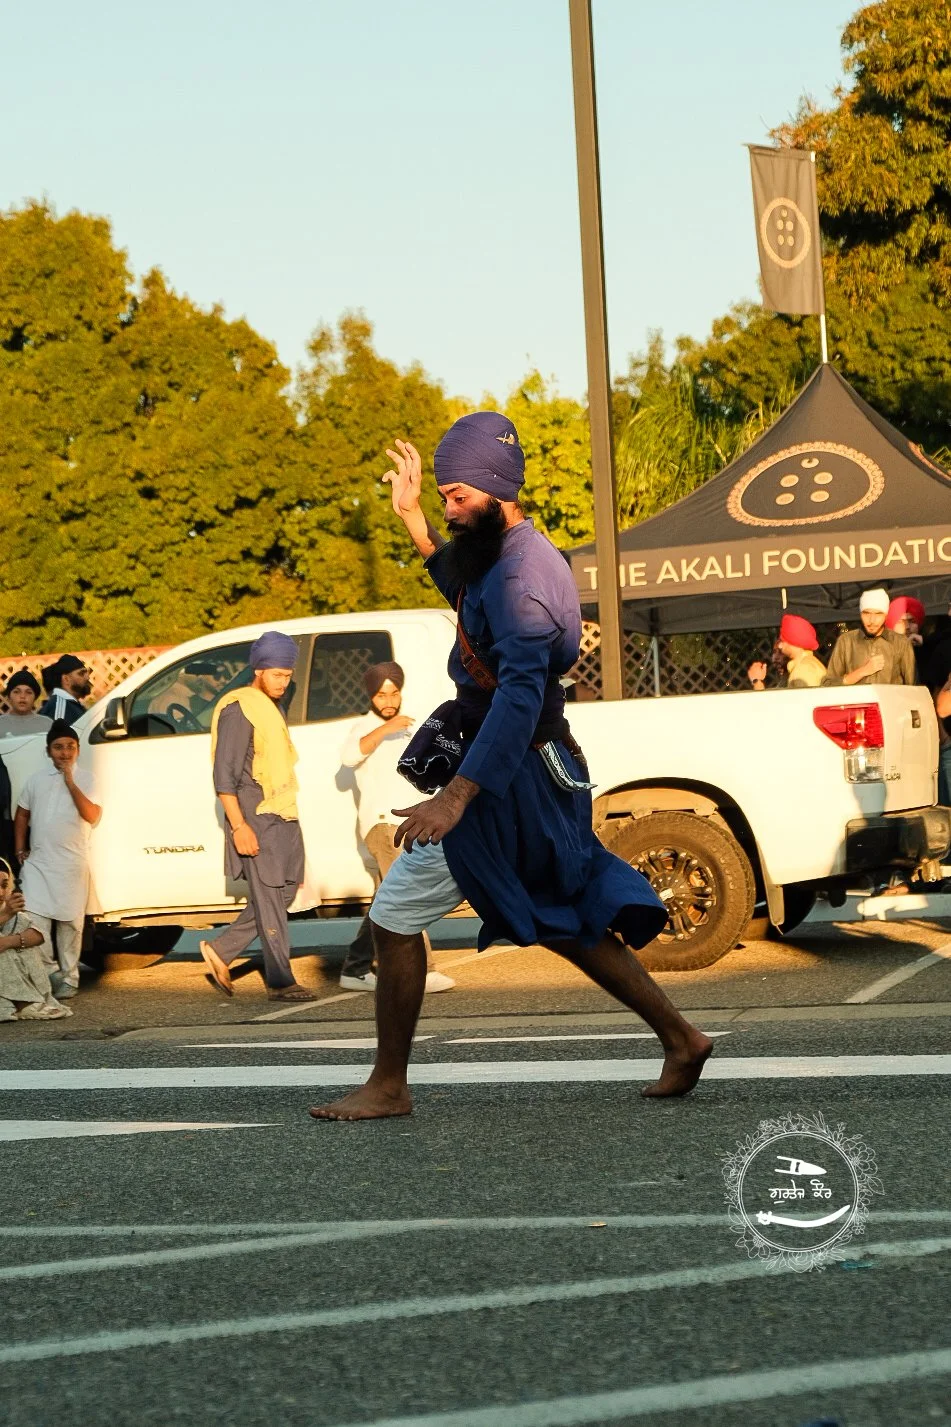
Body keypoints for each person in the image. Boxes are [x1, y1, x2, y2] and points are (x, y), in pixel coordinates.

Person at [310, 414, 713, 1122]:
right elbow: (472, 607)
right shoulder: (503, 551)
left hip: (510, 775)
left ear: (498, 490)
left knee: (395, 913)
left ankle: (388, 1084)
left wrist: (456, 797)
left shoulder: (523, 570)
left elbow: (522, 690)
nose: (448, 507)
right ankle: (681, 1037)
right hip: (529, 768)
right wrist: (412, 522)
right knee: (568, 920)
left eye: (457, 494)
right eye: (441, 495)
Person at [199, 632, 316, 1003]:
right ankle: (281, 981)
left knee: (281, 895)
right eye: (277, 675)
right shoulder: (240, 708)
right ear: (259, 670)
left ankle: (221, 949)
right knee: (268, 899)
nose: (284, 682)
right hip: (255, 819)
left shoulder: (270, 706)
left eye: (287, 675)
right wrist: (239, 827)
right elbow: (224, 776)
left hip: (281, 814)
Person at [338, 661, 455, 995]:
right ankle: (425, 970)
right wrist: (382, 732)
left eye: (393, 692)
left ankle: (356, 968)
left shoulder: (410, 726)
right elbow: (348, 757)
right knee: (407, 895)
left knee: (386, 900)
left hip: (408, 825)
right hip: (382, 825)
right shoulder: (363, 727)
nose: (388, 700)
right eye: (380, 694)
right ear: (371, 697)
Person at [14, 720, 101, 1002]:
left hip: (72, 864)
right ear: (48, 751)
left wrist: (70, 782)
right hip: (39, 863)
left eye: (70, 747)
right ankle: (50, 972)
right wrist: (20, 850)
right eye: (58, 747)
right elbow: (22, 813)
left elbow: (93, 815)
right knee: (33, 919)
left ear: (77, 750)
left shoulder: (88, 779)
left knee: (70, 925)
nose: (65, 753)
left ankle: (69, 977)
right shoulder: (36, 779)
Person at [0, 858, 71, 1021]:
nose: (2, 893)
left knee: (19, 941)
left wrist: (9, 942)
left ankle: (31, 998)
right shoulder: (7, 911)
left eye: (4, 885)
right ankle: (23, 1003)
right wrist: (5, 916)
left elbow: (37, 936)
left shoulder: (8, 908)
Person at [822, 588, 917, 687]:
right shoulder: (846, 641)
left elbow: (913, 687)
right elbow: (828, 684)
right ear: (860, 614)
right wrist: (862, 672)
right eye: (866, 613)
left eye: (878, 614)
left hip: (891, 702)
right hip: (856, 701)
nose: (872, 620)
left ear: (886, 615)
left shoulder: (901, 643)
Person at [747, 614, 826, 690]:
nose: (780, 646)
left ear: (795, 641)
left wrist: (756, 682)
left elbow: (795, 703)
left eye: (783, 640)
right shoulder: (803, 666)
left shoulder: (803, 670)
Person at [38, 655, 93, 727]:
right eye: (81, 674)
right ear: (66, 679)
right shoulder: (60, 706)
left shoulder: (70, 705)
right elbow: (58, 737)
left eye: (87, 673)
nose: (87, 677)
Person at [0, 671, 52, 737]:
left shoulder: (47, 724)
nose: (22, 696)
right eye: (16, 692)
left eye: (28, 692)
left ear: (35, 698)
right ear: (9, 697)